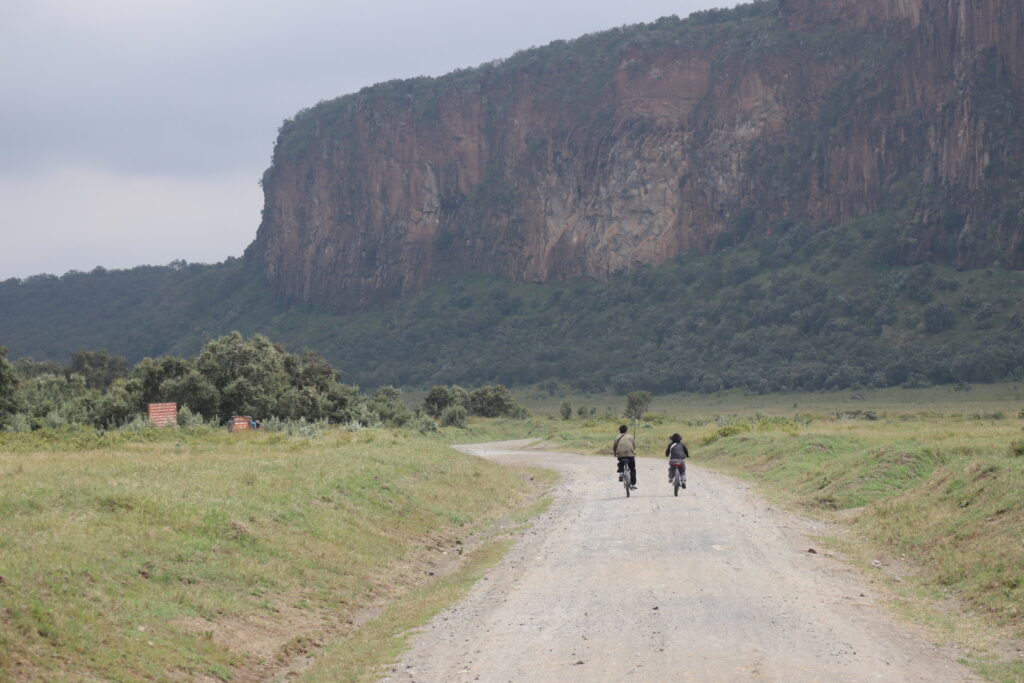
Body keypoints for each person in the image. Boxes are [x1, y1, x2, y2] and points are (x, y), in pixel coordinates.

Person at [614, 424, 637, 489]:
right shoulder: (631, 437)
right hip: (630, 455)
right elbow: (634, 446)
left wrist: (615, 454)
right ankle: (633, 484)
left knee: (620, 462)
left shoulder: (617, 437)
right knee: (632, 469)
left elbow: (614, 447)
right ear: (626, 430)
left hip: (620, 454)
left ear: (619, 431)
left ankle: (621, 472)